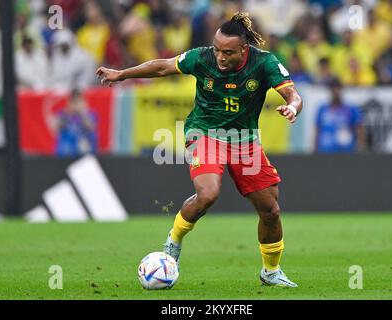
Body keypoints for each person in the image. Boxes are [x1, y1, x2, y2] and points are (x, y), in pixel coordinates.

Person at [97, 12, 303, 287]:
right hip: (205, 133)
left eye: (227, 52)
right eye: (217, 49)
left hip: (244, 140)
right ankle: (174, 240)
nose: (220, 57)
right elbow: (162, 67)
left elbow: (293, 95)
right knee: (208, 194)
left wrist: (292, 107)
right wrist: (121, 74)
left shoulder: (264, 62)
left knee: (270, 210)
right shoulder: (202, 57)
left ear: (244, 49)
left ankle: (271, 271)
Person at [315, 79, 364, 153]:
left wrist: (360, 147)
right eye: (333, 89)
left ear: (341, 90)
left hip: (346, 151)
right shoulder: (323, 109)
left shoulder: (351, 109)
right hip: (325, 151)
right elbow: (317, 130)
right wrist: (315, 149)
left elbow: (359, 129)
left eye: (338, 89)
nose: (335, 92)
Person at [46, 90, 98, 157]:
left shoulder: (91, 114)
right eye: (73, 102)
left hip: (85, 155)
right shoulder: (63, 114)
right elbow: (55, 129)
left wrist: (82, 113)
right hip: (64, 154)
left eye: (78, 101)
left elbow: (91, 127)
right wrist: (67, 114)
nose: (76, 104)